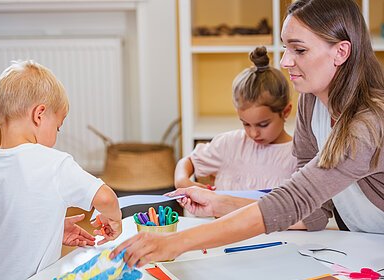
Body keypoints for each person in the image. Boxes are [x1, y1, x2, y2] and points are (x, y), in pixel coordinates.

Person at [111, 0, 384, 267]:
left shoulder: (367, 125)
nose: (286, 61)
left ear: (341, 52)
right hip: (364, 244)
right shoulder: (312, 102)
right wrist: (220, 204)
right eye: (286, 47)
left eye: (299, 50)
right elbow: (311, 211)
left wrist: (175, 242)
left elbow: (295, 198)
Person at [0, 60, 122, 280]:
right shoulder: (54, 163)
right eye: (58, 127)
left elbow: (4, 229)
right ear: (39, 115)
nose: (57, 134)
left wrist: (50, 228)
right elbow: (106, 198)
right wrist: (114, 219)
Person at [175, 46, 296, 191]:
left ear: (286, 111)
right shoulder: (228, 145)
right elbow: (189, 161)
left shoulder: (296, 156)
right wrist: (182, 181)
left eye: (263, 124)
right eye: (246, 124)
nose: (253, 133)